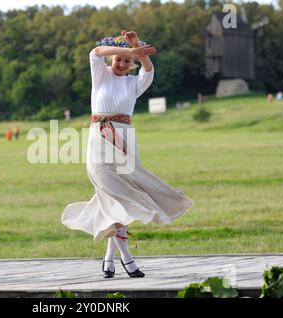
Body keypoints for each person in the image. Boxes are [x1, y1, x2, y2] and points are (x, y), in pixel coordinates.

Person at [61, 31, 193, 278]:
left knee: (122, 201)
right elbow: (95, 52)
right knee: (113, 197)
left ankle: (108, 260)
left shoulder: (133, 83)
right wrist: (127, 50)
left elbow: (149, 71)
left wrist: (136, 50)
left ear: (132, 64)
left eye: (126, 61)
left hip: (125, 142)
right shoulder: (100, 75)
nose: (121, 64)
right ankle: (127, 259)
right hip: (99, 138)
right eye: (118, 59)